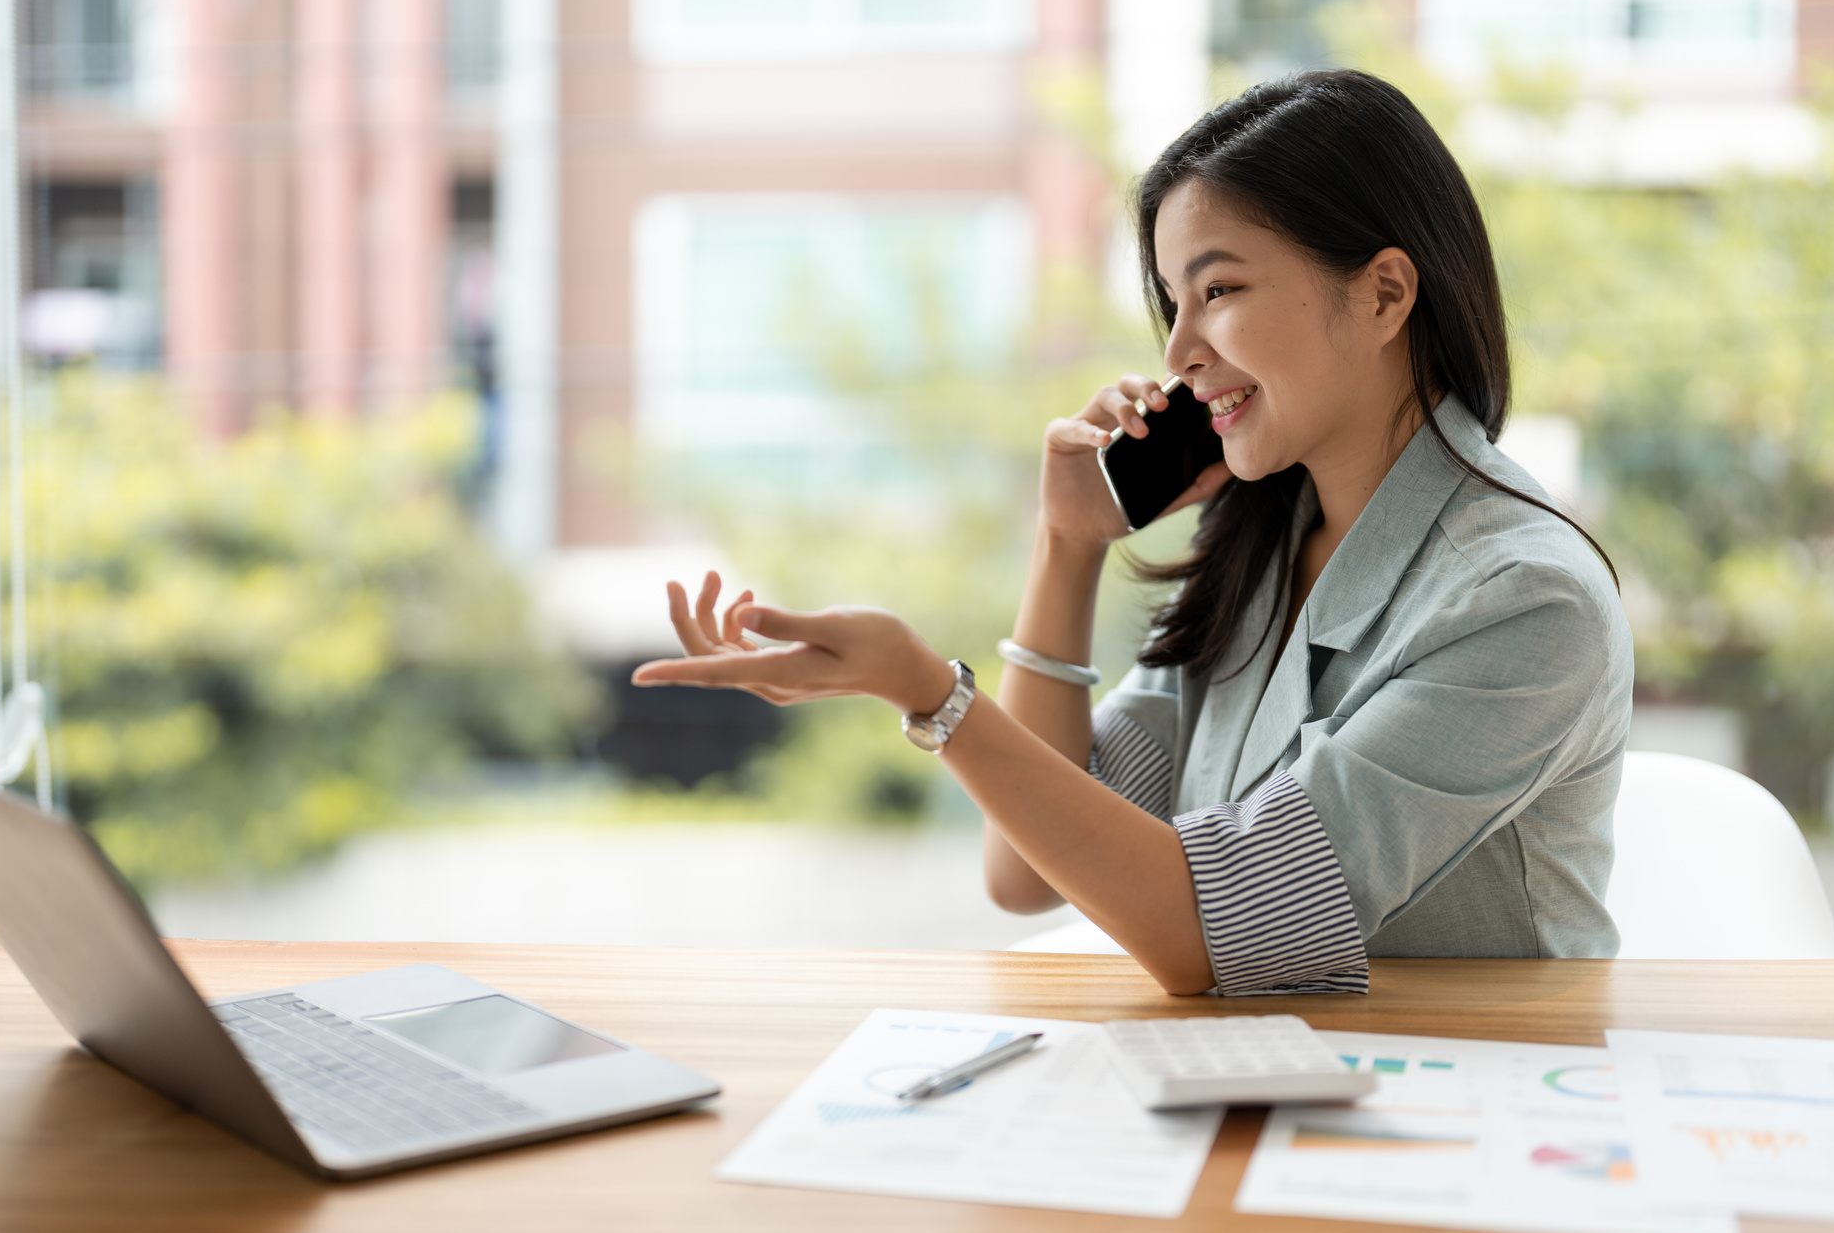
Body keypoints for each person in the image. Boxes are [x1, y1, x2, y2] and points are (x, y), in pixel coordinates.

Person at [634, 70, 1632, 997]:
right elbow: (1025, 868)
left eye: (1220, 290)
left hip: (1484, 1118)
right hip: (1277, 1085)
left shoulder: (1525, 600)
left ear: (1381, 293)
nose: (1180, 351)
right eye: (1172, 301)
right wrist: (1067, 546)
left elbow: (1211, 932)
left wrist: (929, 690)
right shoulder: (1265, 551)